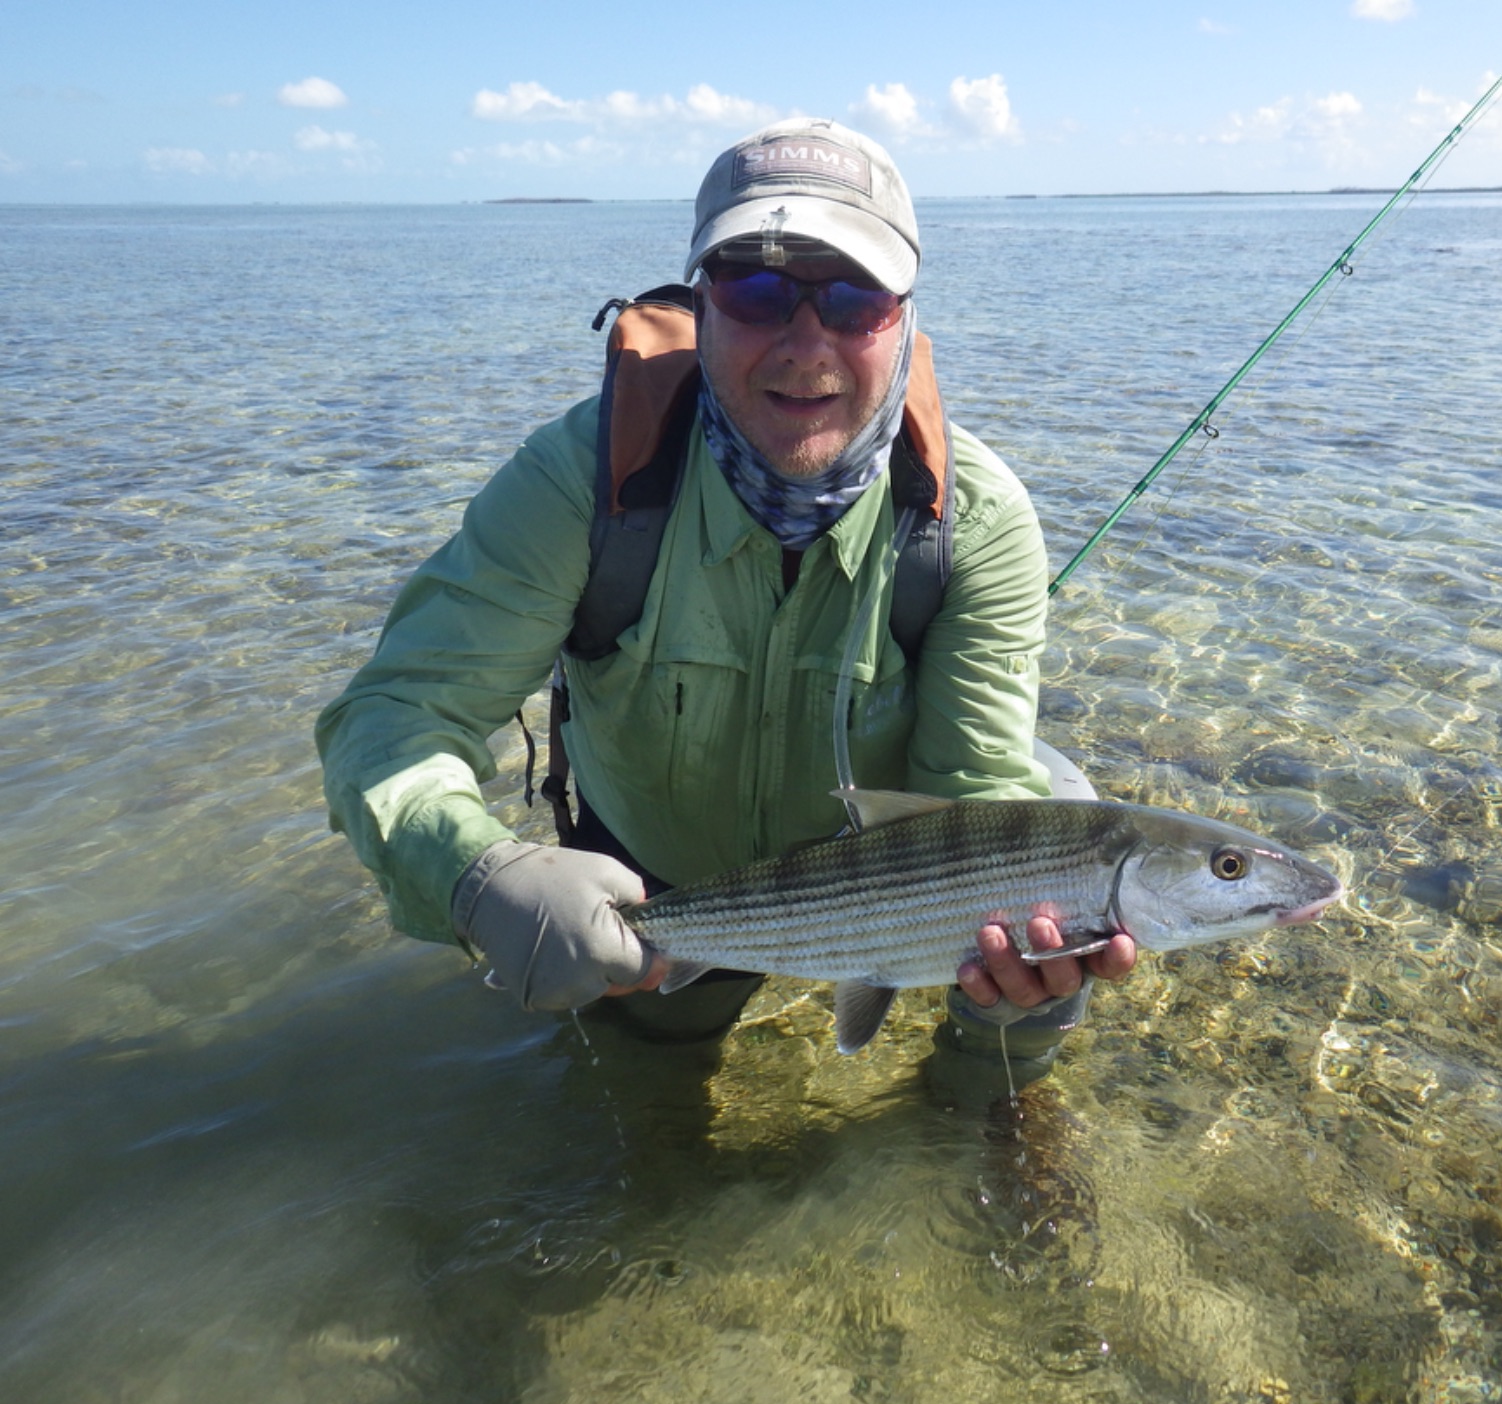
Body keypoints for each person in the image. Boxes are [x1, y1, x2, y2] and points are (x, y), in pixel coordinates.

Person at [315, 118, 1134, 1084]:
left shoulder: (978, 520)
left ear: (905, 314)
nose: (803, 342)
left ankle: (980, 1135)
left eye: (851, 297)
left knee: (1041, 976)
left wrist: (1010, 950)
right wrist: (476, 877)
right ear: (701, 302)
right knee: (646, 1086)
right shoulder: (582, 482)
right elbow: (396, 716)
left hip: (893, 884)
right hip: (655, 882)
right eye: (755, 288)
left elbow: (973, 786)